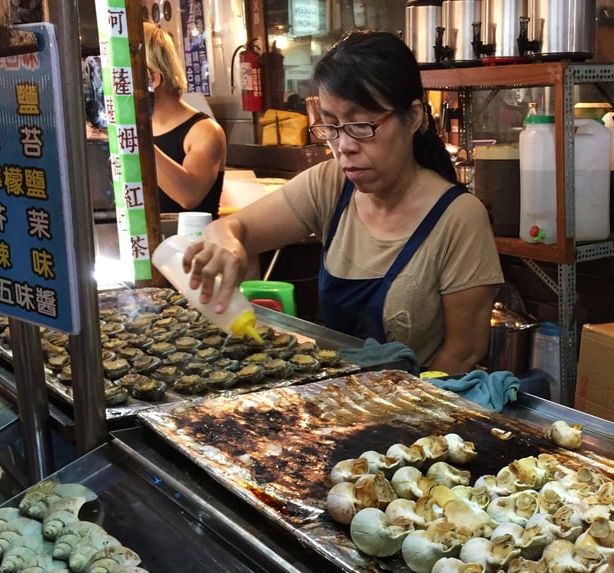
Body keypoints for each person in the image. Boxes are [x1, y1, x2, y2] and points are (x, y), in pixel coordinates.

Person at [182, 31, 502, 374]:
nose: (343, 146)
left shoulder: (458, 218)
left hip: (419, 410)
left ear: (412, 117)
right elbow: (234, 227)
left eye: (361, 125)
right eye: (332, 126)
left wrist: (399, 410)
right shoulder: (331, 184)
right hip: (338, 400)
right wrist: (227, 246)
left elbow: (462, 353)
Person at [144, 22, 227, 218]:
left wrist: (133, 138)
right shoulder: (137, 130)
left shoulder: (204, 131)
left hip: (191, 246)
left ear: (153, 80)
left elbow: (189, 195)